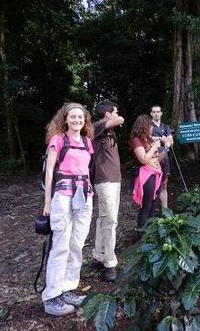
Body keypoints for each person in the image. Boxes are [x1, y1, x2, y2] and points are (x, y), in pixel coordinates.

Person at [42, 102, 94, 316]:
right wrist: (47, 201)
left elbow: (87, 170)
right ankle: (51, 297)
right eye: (73, 117)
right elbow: (49, 171)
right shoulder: (57, 140)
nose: (77, 120)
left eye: (80, 118)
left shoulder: (87, 142)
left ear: (84, 121)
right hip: (63, 196)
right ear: (65, 119)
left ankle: (68, 288)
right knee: (61, 244)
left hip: (85, 196)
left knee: (77, 244)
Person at [90, 100, 124, 282]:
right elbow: (119, 120)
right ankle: (110, 264)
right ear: (108, 114)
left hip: (113, 180)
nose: (118, 114)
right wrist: (118, 117)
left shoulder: (108, 131)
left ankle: (98, 255)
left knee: (104, 218)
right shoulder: (97, 126)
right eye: (115, 111)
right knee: (110, 221)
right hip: (104, 180)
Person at [129, 115, 171, 229]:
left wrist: (166, 148)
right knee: (146, 206)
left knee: (153, 205)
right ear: (144, 127)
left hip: (156, 172)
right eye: (150, 126)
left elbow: (157, 159)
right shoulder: (136, 140)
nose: (152, 129)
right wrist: (154, 147)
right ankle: (141, 235)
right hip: (146, 175)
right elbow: (143, 159)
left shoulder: (149, 140)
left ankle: (150, 233)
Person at [150, 105, 173, 210]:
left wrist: (163, 140)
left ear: (161, 113)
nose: (156, 114)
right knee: (152, 185)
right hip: (151, 159)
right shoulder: (147, 125)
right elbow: (147, 139)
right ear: (151, 113)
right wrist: (161, 138)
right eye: (154, 112)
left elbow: (170, 142)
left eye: (158, 111)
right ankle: (151, 210)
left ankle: (165, 211)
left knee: (164, 185)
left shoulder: (166, 127)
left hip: (165, 158)